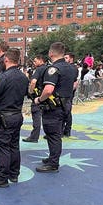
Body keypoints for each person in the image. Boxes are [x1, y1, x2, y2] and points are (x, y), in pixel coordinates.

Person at [0, 48, 29, 187]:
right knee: (14, 145)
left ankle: (2, 177)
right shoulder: (23, 77)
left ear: (6, 59)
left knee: (2, 147)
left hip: (4, 117)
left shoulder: (1, 78)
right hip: (17, 115)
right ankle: (14, 174)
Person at [31, 42, 74, 173]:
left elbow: (48, 90)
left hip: (54, 107)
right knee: (56, 134)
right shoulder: (71, 68)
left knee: (53, 135)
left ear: (51, 53)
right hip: (66, 104)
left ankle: (53, 163)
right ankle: (52, 157)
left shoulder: (53, 69)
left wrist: (39, 99)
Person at [23, 54, 47, 143]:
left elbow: (33, 82)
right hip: (47, 95)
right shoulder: (48, 68)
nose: (34, 62)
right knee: (47, 116)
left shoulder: (39, 69)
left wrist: (30, 92)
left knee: (36, 116)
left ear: (41, 61)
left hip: (38, 96)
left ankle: (34, 137)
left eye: (35, 61)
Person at [62, 52, 78, 137]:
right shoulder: (71, 67)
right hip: (68, 93)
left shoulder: (72, 68)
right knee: (66, 111)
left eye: (66, 58)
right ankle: (66, 130)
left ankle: (65, 130)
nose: (65, 59)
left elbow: (74, 82)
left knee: (66, 111)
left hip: (68, 93)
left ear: (71, 58)